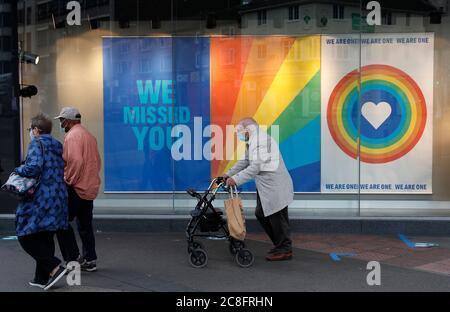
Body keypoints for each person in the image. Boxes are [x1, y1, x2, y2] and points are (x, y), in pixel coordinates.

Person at [224, 117, 294, 261]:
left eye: (240, 132)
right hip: (267, 186)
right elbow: (245, 160)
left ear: (248, 130)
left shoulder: (261, 141)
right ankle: (280, 244)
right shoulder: (254, 141)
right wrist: (228, 174)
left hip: (275, 186)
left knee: (277, 217)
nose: (240, 135)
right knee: (261, 213)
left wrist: (235, 180)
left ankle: (285, 248)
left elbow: (255, 167)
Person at [15, 113, 68, 290]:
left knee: (25, 234)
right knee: (45, 235)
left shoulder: (37, 143)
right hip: (58, 196)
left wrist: (18, 169)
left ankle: (54, 267)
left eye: (30, 129)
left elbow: (33, 167)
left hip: (40, 197)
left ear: (37, 130)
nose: (30, 132)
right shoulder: (57, 144)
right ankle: (41, 278)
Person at [55, 107, 101, 272]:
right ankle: (90, 259)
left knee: (62, 222)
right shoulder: (89, 135)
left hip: (76, 187)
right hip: (89, 187)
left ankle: (71, 259)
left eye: (62, 120)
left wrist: (68, 180)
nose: (61, 123)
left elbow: (75, 161)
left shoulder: (72, 136)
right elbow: (97, 161)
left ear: (68, 121)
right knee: (85, 225)